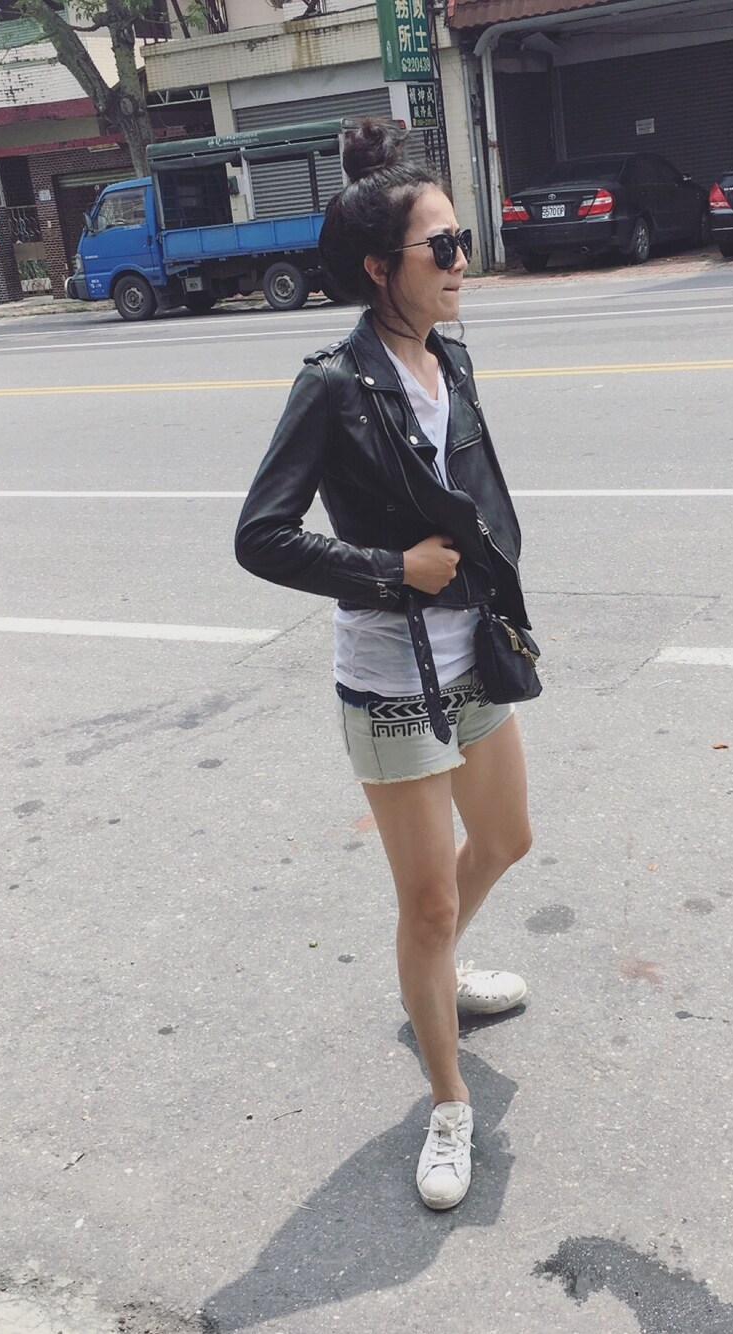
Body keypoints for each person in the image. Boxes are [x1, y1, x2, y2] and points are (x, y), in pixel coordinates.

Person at [235, 120, 535, 1211]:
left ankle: (434, 976)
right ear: (379, 268)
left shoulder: (450, 358)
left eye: (461, 241)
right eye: (440, 248)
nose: (461, 261)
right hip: (390, 667)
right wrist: (389, 569)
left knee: (505, 840)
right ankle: (447, 1097)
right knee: (428, 902)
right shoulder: (331, 384)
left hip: (473, 650)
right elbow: (261, 535)